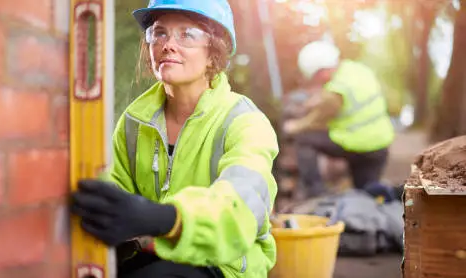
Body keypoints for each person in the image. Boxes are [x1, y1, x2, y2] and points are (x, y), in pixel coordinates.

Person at [70, 0, 280, 277]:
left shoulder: (245, 122)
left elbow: (240, 210)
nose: (168, 44)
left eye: (187, 34)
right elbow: (115, 187)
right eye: (159, 33)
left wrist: (166, 218)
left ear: (213, 53)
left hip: (225, 265)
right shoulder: (135, 121)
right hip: (153, 253)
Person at [282, 40, 395, 198]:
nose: (317, 81)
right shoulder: (356, 70)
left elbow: (316, 121)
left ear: (322, 71)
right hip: (379, 145)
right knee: (366, 195)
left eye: (316, 77)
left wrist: (293, 127)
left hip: (357, 145)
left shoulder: (335, 92)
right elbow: (345, 101)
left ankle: (316, 192)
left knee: (304, 139)